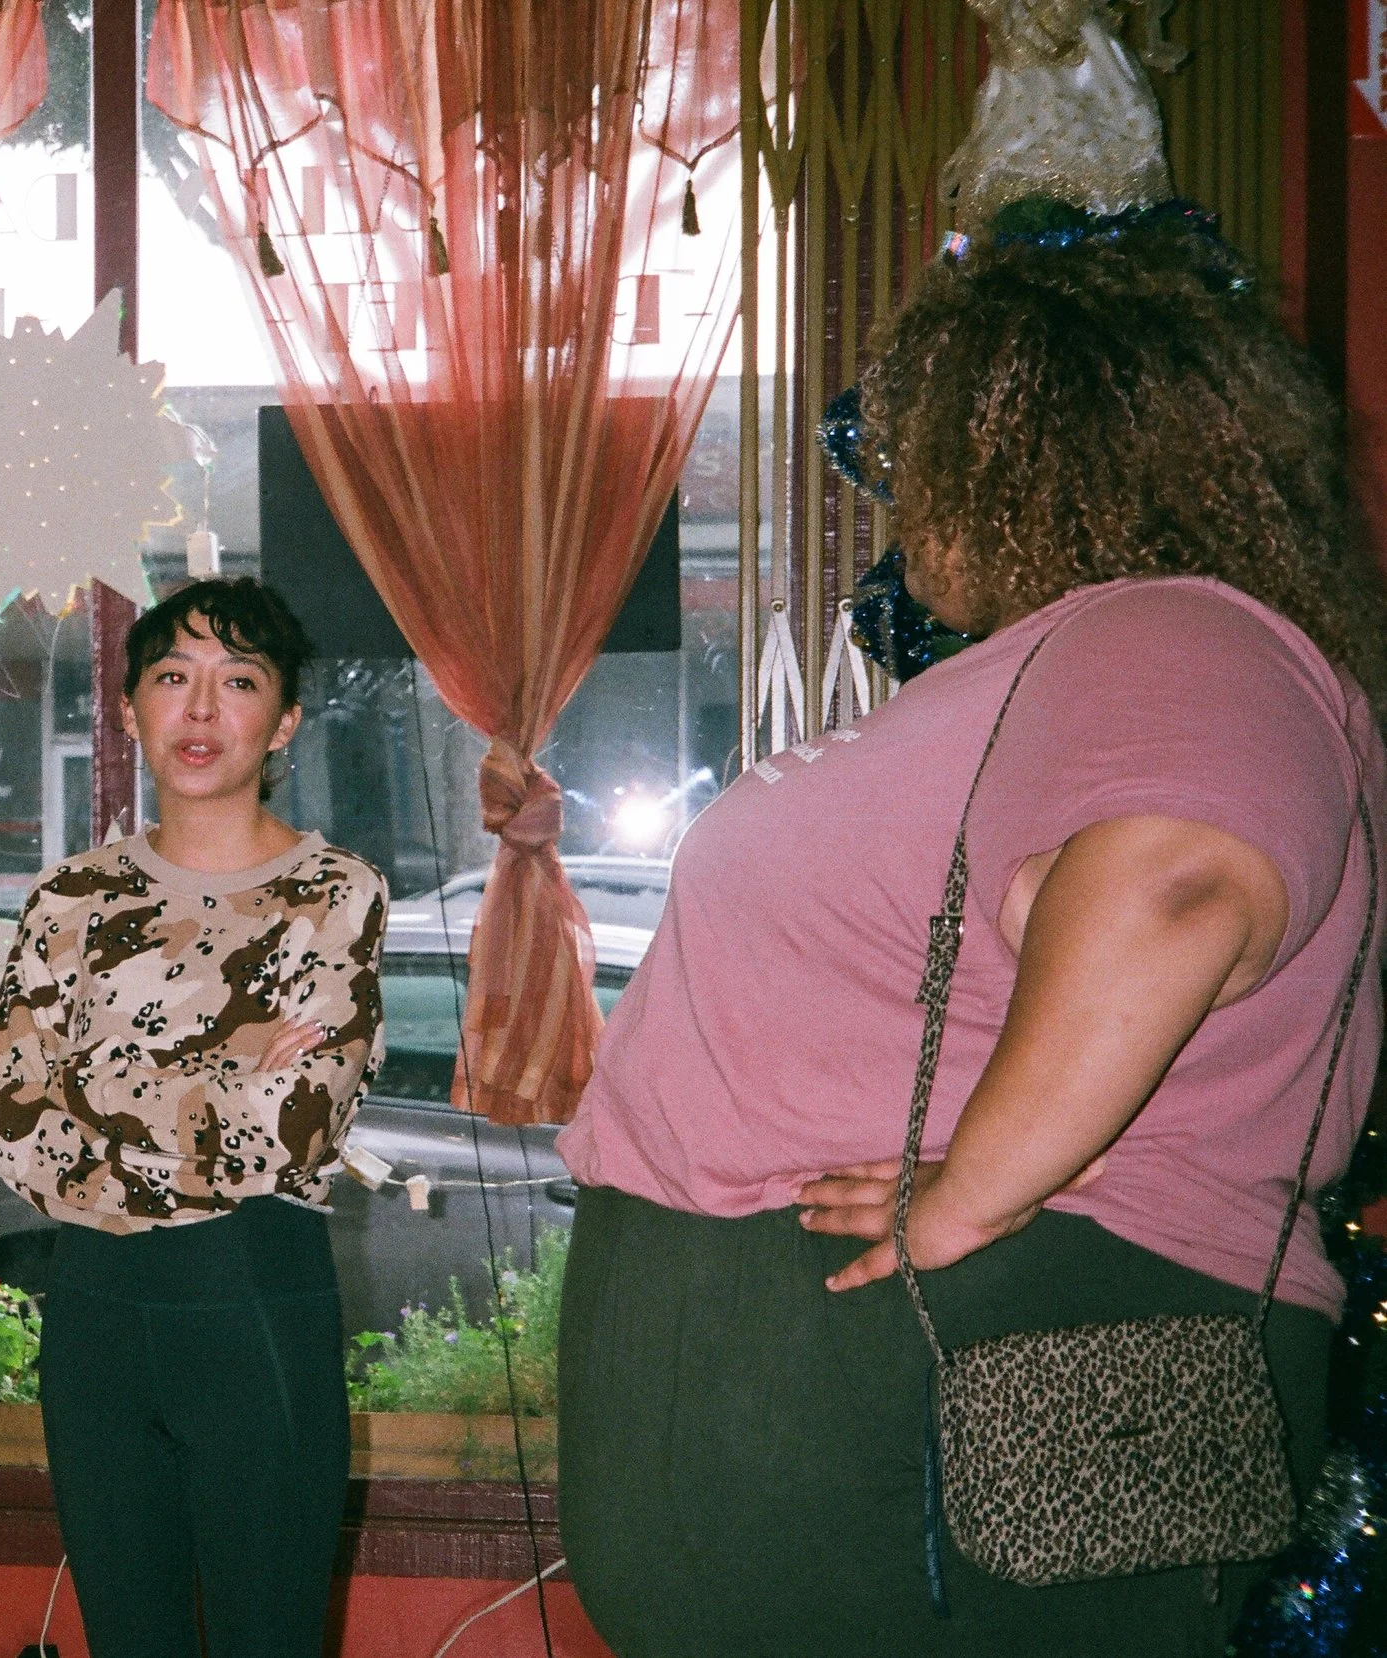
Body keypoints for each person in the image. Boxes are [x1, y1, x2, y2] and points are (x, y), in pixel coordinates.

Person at [553, 207, 1387, 1655]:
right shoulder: (1107, 654)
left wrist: (966, 1199)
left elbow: (1180, 884)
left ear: (1024, 457)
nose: (900, 497)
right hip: (906, 1414)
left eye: (921, 455)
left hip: (955, 1398)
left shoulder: (1172, 635)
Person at [0, 577, 387, 1658]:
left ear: (284, 721)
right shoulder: (70, 899)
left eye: (239, 681)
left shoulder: (334, 894)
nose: (201, 710)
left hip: (253, 1299)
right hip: (93, 1317)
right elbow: (22, 1138)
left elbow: (291, 1131)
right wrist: (226, 1071)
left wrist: (103, 1082)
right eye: (172, 677)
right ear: (128, 709)